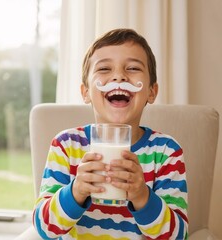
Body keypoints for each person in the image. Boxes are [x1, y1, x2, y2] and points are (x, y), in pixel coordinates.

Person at [33, 28, 188, 239]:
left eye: (133, 68)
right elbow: (44, 228)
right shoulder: (67, 145)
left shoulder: (166, 151)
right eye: (104, 68)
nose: (119, 76)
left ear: (151, 92)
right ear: (85, 91)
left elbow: (178, 236)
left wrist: (142, 196)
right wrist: (76, 191)